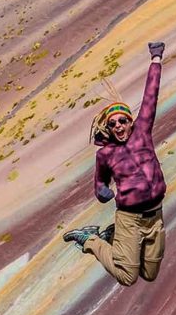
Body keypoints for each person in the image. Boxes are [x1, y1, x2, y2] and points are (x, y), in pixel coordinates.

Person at [63, 43, 167, 286]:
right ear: (107, 129)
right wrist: (104, 192)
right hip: (130, 218)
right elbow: (99, 185)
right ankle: (90, 240)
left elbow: (150, 96)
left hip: (155, 216)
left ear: (131, 122)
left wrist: (156, 59)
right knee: (127, 277)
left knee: (149, 274)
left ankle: (113, 236)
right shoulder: (105, 155)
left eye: (122, 120)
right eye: (113, 124)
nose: (118, 126)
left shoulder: (142, 134)